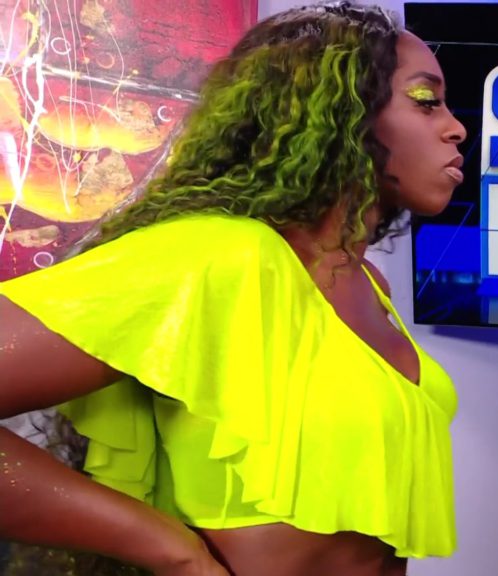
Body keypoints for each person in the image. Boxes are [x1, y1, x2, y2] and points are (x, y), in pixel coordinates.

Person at [0, 1, 466, 575]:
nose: (456, 127)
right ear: (339, 112)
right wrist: (175, 553)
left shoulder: (371, 284)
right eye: (425, 100)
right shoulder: (223, 256)